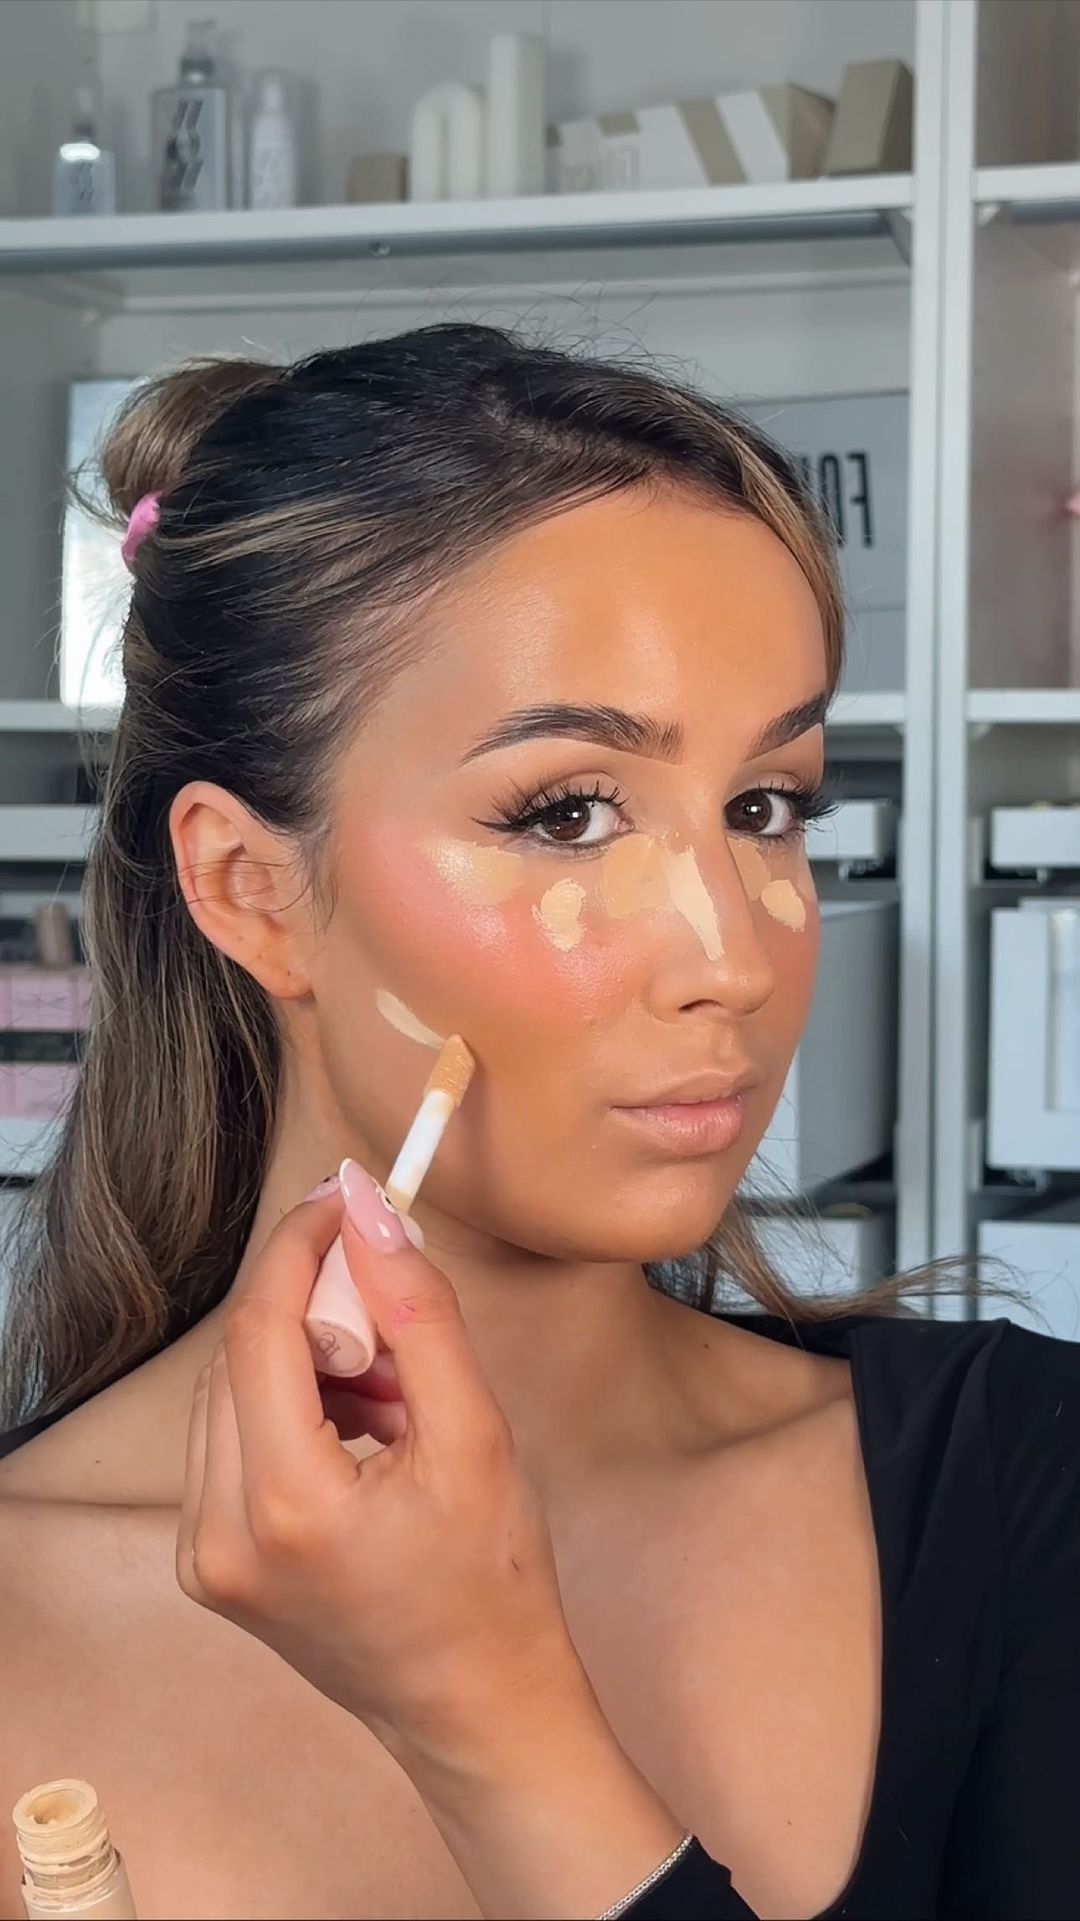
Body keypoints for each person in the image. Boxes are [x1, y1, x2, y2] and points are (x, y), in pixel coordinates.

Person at [0, 325, 1076, 1921]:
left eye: (766, 804)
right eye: (568, 812)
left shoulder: (1023, 1480)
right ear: (252, 889)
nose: (732, 956)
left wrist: (492, 1722)